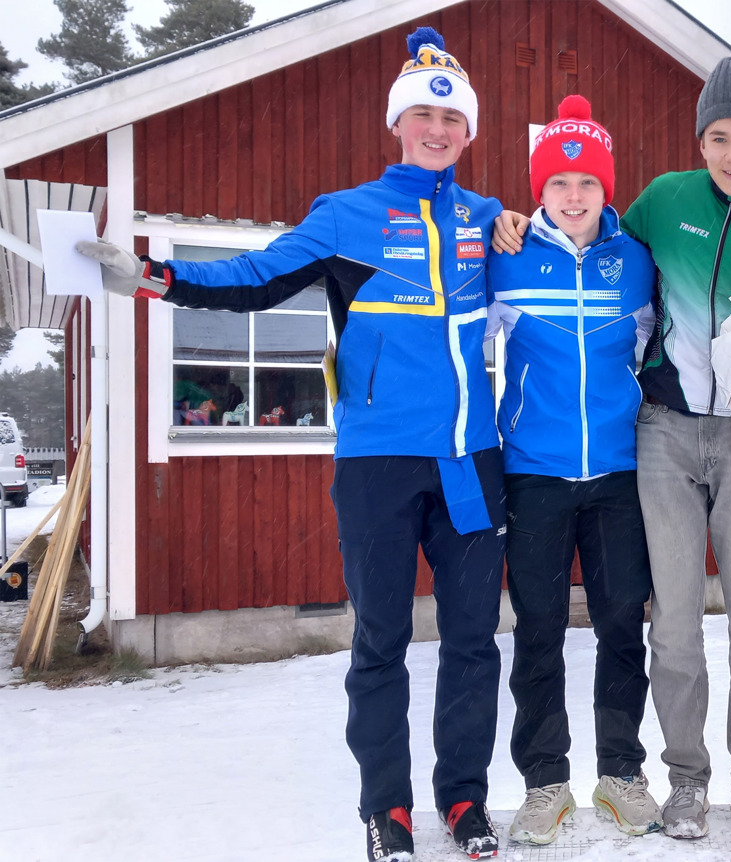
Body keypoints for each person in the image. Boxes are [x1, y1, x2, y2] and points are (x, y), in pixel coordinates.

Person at [78, 27, 506, 862]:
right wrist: (156, 274)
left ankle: (463, 801)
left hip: (470, 461)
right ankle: (386, 812)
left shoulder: (489, 221)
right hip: (378, 464)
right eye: (422, 113)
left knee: (472, 643)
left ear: (470, 133)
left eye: (451, 119)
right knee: (379, 642)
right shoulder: (345, 215)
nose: (437, 129)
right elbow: (252, 278)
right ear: (397, 122)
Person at [493, 56, 731, 846]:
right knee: (671, 622)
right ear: (700, 141)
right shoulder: (663, 201)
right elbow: (585, 233)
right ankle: (684, 778)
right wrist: (508, 220)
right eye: (719, 137)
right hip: (664, 434)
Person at [486, 95, 662, 845]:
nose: (574, 194)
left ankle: (621, 773)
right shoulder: (509, 255)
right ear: (540, 190)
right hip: (535, 471)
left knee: (624, 623)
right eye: (559, 183)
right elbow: (471, 348)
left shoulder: (637, 263)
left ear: (606, 186)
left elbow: (656, 350)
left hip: (622, 472)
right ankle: (544, 784)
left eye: (588, 180)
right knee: (539, 630)